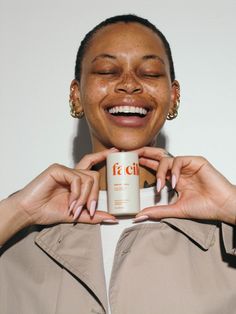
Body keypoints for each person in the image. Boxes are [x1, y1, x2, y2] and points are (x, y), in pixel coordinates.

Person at [0, 14, 236, 314]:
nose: (129, 84)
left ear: (173, 96)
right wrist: (16, 211)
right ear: (76, 95)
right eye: (107, 70)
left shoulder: (225, 232)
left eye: (150, 73)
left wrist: (231, 203)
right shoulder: (18, 237)